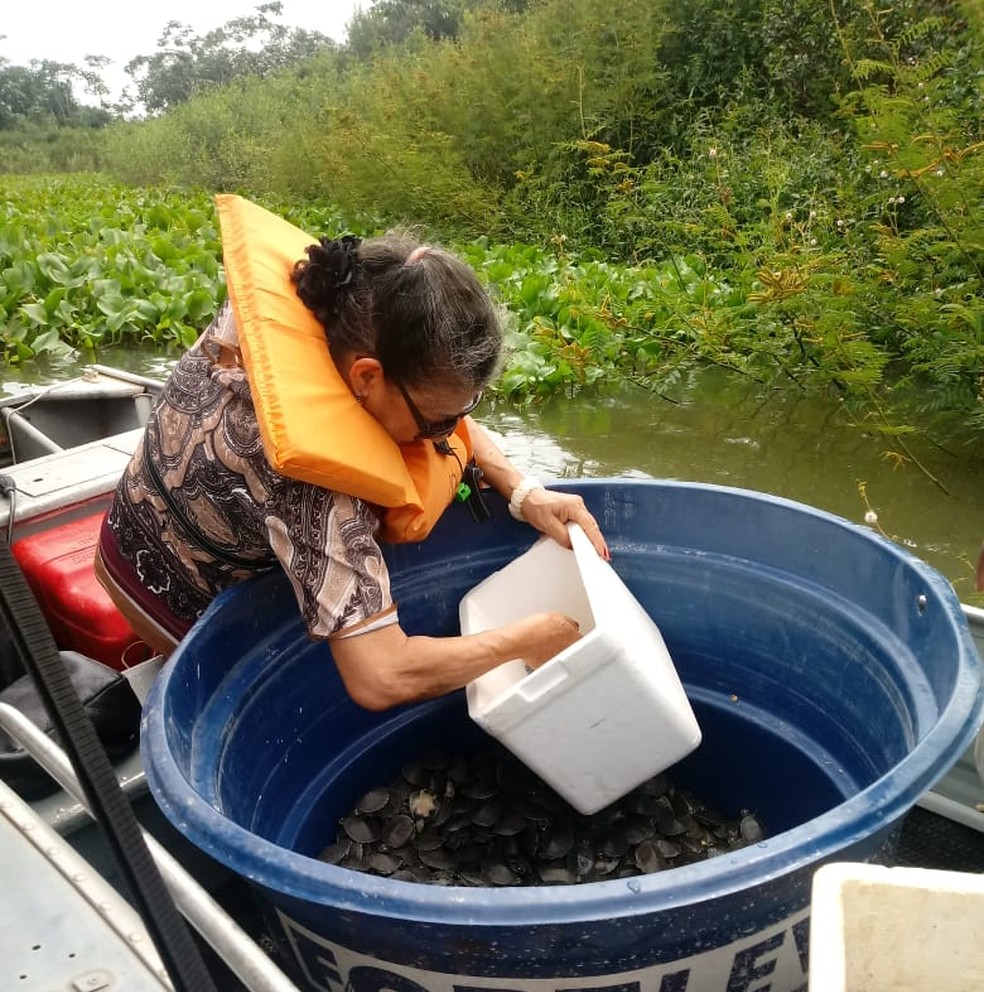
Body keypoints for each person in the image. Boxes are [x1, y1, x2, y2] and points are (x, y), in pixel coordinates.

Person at [95, 195, 609, 711]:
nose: (446, 435)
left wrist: (522, 492)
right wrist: (527, 638)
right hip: (167, 595)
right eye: (438, 420)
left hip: (134, 518)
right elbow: (382, 678)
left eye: (462, 412)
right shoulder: (312, 489)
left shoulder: (330, 306)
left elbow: (437, 404)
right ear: (366, 376)